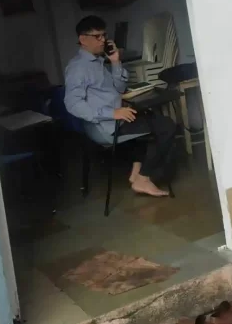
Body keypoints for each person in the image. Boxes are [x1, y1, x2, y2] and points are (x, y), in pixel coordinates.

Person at [64, 15, 177, 197]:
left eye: (104, 35)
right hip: (105, 126)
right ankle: (143, 179)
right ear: (83, 39)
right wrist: (112, 112)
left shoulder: (98, 62)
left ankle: (137, 171)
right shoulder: (78, 68)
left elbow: (120, 88)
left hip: (114, 119)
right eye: (97, 36)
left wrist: (116, 61)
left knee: (150, 116)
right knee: (167, 126)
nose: (103, 40)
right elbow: (72, 104)